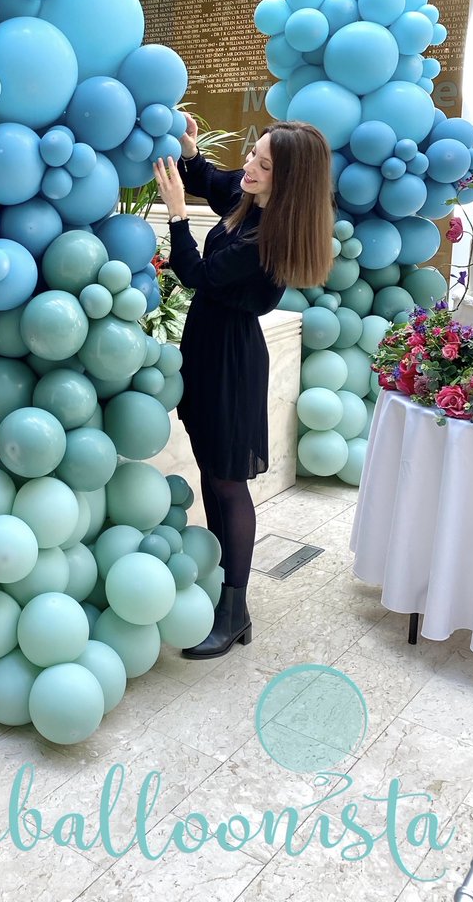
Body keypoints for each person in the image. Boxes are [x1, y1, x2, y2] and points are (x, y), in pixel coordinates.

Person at [153, 117, 334, 660]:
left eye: (263, 165)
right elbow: (214, 178)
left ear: (290, 181)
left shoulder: (269, 235)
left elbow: (200, 276)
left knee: (229, 483)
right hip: (210, 349)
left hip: (232, 362)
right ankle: (226, 597)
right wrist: (188, 152)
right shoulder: (255, 197)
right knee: (214, 471)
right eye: (253, 156)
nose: (248, 170)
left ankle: (234, 612)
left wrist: (179, 217)